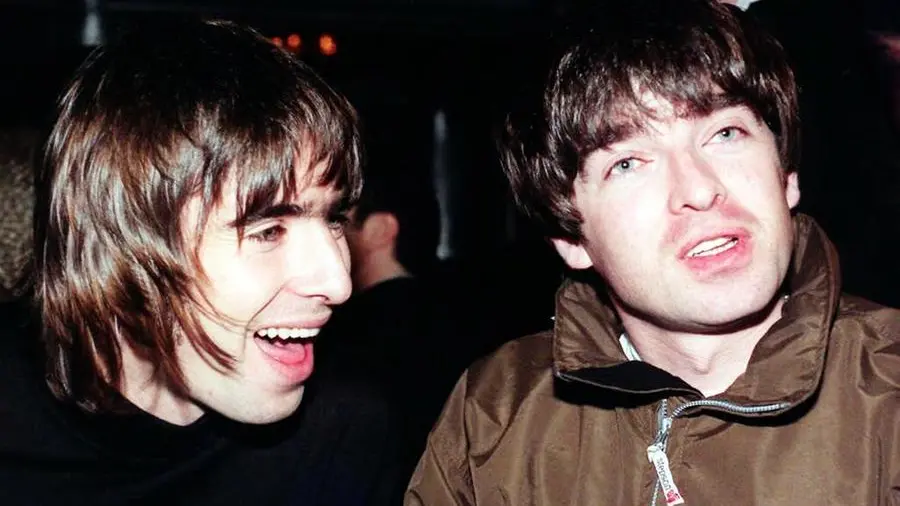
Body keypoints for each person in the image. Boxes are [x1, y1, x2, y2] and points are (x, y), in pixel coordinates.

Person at [405, 1, 900, 504]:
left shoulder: (888, 386)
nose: (699, 189)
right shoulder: (493, 418)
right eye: (628, 163)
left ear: (786, 174)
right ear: (571, 238)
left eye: (725, 134)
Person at [0, 19, 402, 505]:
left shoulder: (343, 433)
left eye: (334, 218)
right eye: (268, 231)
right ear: (122, 246)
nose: (338, 282)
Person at [316, 162, 463, 483]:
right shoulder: (458, 320)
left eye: (338, 220)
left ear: (381, 230)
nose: (327, 236)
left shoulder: (353, 332)